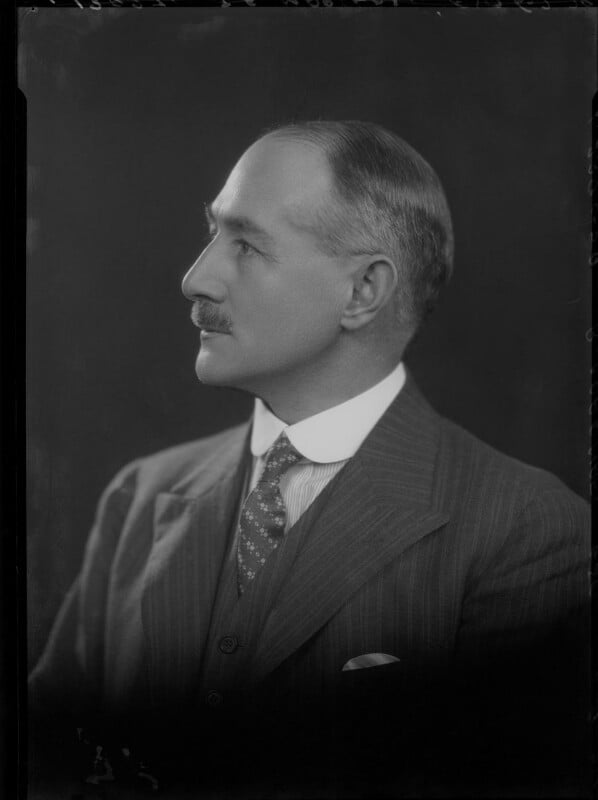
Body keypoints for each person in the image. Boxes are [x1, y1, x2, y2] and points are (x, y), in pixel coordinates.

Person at [29, 120, 590, 798]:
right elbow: (49, 761)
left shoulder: (526, 532)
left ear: (362, 291)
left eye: (246, 245)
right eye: (214, 234)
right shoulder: (142, 496)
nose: (196, 279)